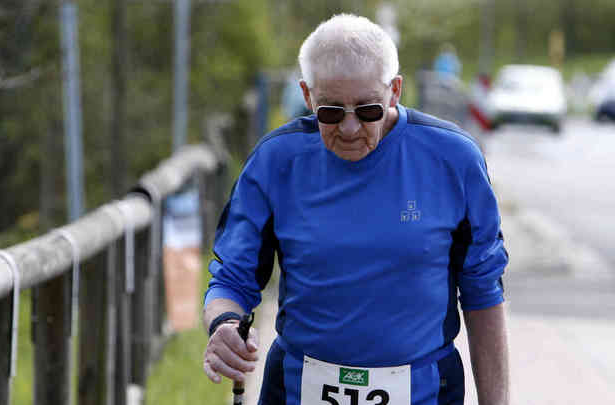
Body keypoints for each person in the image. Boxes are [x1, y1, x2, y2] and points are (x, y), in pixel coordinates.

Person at [203, 13, 509, 405]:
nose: (349, 129)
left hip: (426, 390)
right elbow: (231, 279)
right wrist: (224, 324)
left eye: (367, 109)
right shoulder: (276, 161)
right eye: (330, 111)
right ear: (307, 96)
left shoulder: (454, 159)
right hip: (297, 388)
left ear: (394, 91)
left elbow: (484, 291)